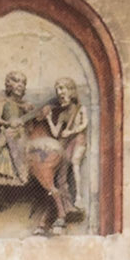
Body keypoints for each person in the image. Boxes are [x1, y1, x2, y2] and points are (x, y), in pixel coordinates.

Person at [42, 76, 88, 218]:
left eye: (62, 89)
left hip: (78, 140)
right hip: (66, 143)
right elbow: (56, 133)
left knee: (75, 162)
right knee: (61, 173)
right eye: (57, 90)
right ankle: (67, 206)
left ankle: (79, 197)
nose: (60, 93)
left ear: (71, 91)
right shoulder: (62, 114)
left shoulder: (80, 109)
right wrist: (49, 119)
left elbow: (83, 124)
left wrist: (71, 131)